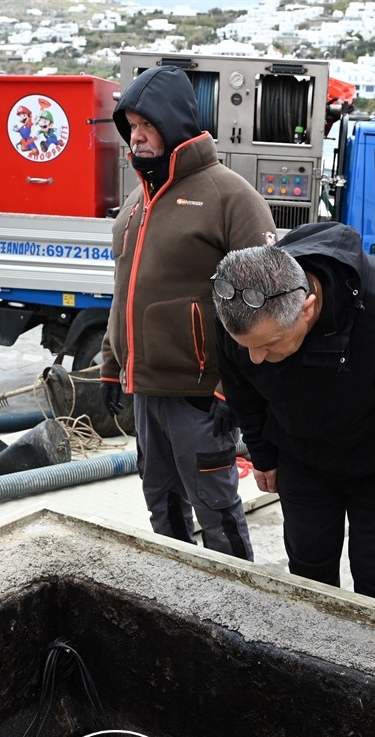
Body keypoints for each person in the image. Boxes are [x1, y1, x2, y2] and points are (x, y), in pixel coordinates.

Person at [209, 224, 375, 606]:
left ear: (307, 308)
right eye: (247, 347)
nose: (256, 358)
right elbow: (242, 391)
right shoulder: (238, 311)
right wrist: (263, 455)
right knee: (308, 571)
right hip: (300, 458)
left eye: (269, 345)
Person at [99, 66, 276, 561]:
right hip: (145, 390)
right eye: (131, 126)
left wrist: (232, 389)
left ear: (174, 124)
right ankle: (176, 592)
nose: (136, 136)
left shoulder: (231, 198)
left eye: (147, 125)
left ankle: (237, 596)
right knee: (161, 504)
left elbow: (267, 304)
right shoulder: (135, 203)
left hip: (201, 395)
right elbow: (123, 291)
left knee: (216, 509)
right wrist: (111, 367)